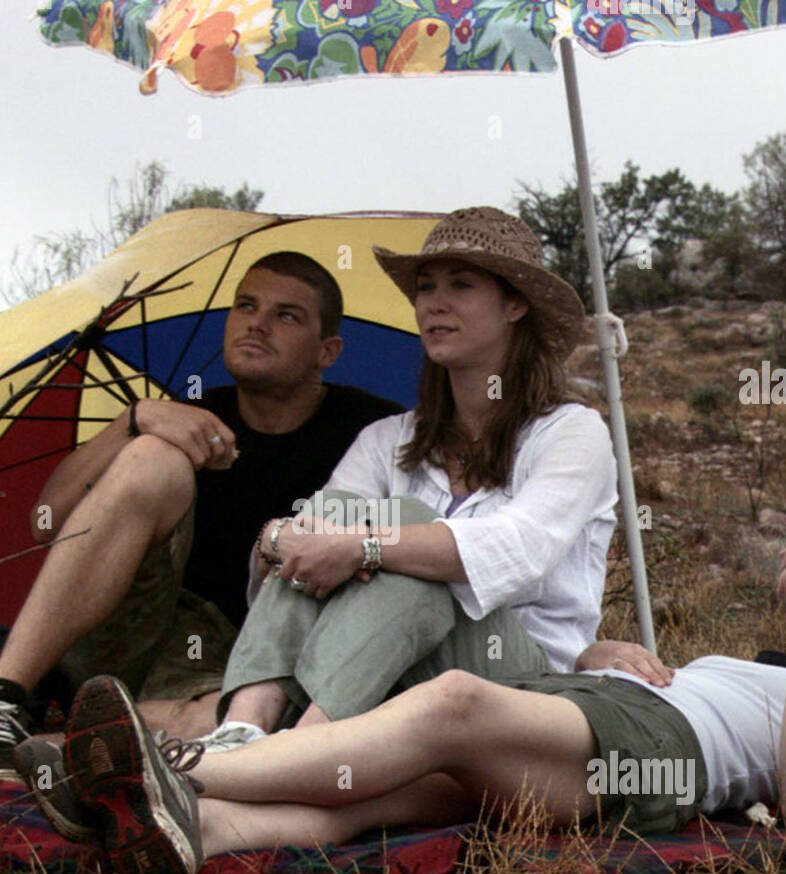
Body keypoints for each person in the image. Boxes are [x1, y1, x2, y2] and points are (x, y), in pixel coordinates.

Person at [15, 540, 786, 874]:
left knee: (451, 702)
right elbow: (669, 681)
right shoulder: (783, 673)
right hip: (605, 715)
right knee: (382, 793)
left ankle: (170, 768)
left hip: (655, 756)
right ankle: (197, 831)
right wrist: (606, 653)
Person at [0, 252, 402, 777]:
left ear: (327, 351)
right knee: (153, 458)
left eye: (286, 316)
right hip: (142, 626)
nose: (257, 325)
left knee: (248, 721)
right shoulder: (183, 415)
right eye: (246, 306)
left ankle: (9, 748)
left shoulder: (372, 432)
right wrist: (132, 421)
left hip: (251, 663)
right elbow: (45, 523)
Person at [185, 206, 617, 755]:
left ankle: (299, 749)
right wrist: (281, 538)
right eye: (426, 287)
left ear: (515, 304)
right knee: (340, 515)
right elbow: (312, 535)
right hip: (386, 667)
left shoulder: (572, 433)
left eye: (461, 285)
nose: (434, 303)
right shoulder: (387, 437)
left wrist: (366, 548)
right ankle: (243, 730)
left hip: (522, 684)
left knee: (407, 529)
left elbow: (521, 548)